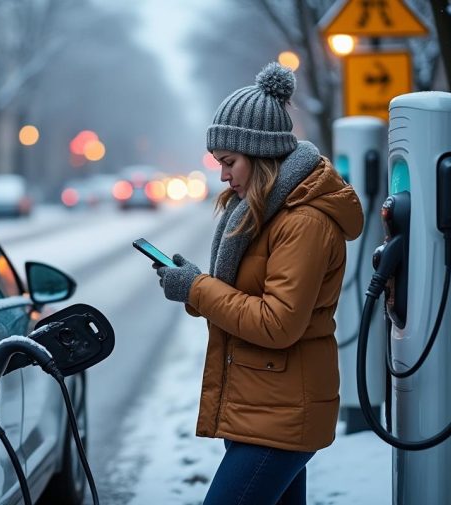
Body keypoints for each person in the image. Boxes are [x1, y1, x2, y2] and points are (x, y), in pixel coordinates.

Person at [154, 62, 363, 505]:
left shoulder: (302, 221)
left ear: (261, 154)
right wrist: (194, 285)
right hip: (263, 403)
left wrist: (197, 289)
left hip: (282, 412)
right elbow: (250, 296)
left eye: (229, 162)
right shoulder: (261, 211)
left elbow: (278, 322)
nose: (224, 175)